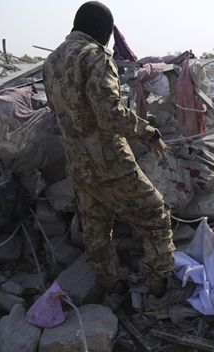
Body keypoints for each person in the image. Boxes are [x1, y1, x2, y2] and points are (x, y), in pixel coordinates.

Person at [42, 1, 174, 298]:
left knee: (96, 230)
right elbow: (110, 114)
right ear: (102, 30)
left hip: (78, 165)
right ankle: (158, 287)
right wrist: (149, 132)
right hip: (111, 163)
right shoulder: (95, 56)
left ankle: (108, 288)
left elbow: (58, 112)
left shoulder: (51, 62)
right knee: (156, 215)